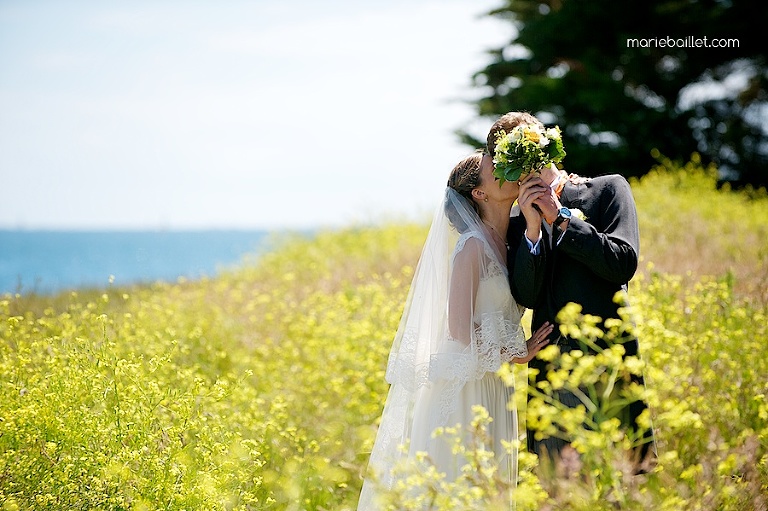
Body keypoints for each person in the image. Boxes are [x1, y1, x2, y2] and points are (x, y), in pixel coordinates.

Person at [357, 152, 554, 509]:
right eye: (495, 170)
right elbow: (459, 332)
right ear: (479, 194)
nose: (508, 171)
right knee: (459, 488)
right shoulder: (471, 246)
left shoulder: (509, 241)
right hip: (466, 386)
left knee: (489, 489)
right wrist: (517, 351)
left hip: (493, 382)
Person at [486, 111, 655, 464]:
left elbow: (623, 262)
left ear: (546, 145)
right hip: (553, 369)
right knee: (558, 486)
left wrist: (561, 218)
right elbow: (526, 297)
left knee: (620, 478)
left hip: (607, 356)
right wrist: (532, 230)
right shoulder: (517, 222)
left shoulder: (608, 189)